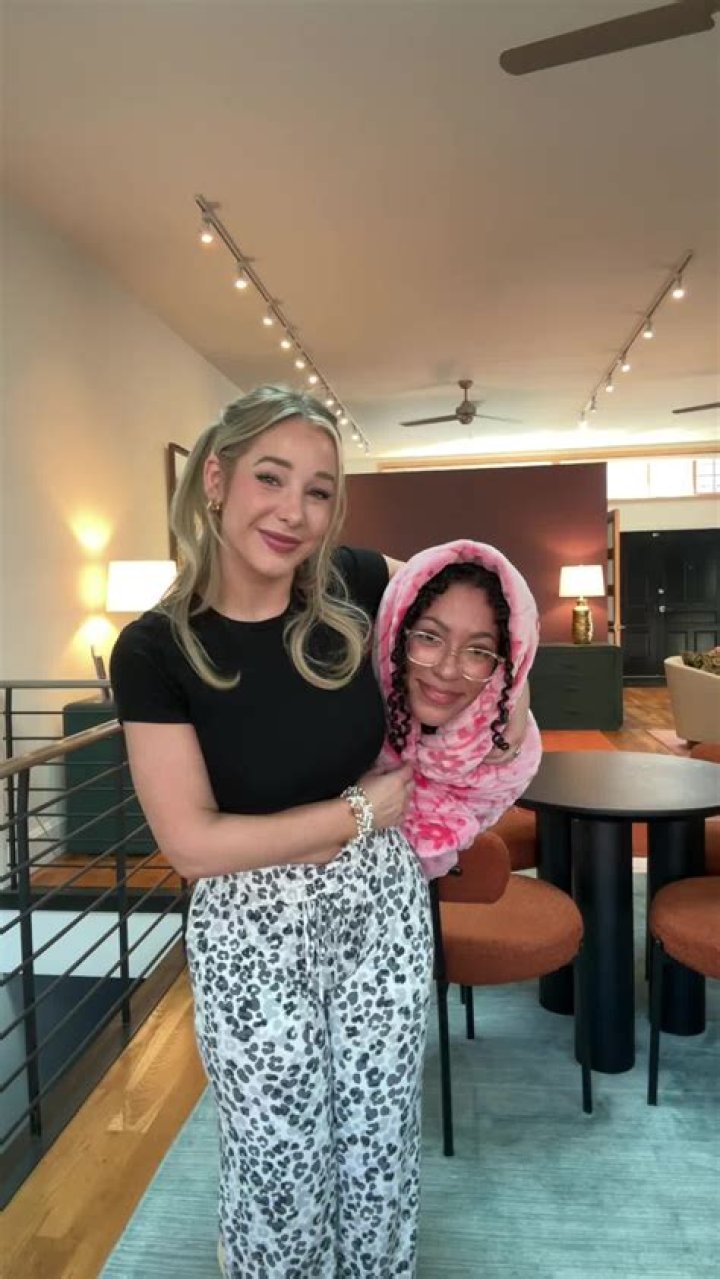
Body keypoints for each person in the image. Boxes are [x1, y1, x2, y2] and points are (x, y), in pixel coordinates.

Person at [109, 386, 432, 1279]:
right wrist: (355, 815)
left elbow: (470, 597)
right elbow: (191, 844)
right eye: (271, 477)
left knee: (380, 1145)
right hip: (252, 932)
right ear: (215, 478)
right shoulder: (155, 650)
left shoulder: (356, 583)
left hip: (379, 915)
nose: (295, 511)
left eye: (319, 490)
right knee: (279, 1163)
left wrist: (509, 701)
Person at [372, 540, 542, 879]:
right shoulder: (348, 718)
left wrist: (517, 691)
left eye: (478, 652)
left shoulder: (509, 754)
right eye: (429, 637)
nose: (448, 670)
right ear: (395, 633)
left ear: (502, 666)